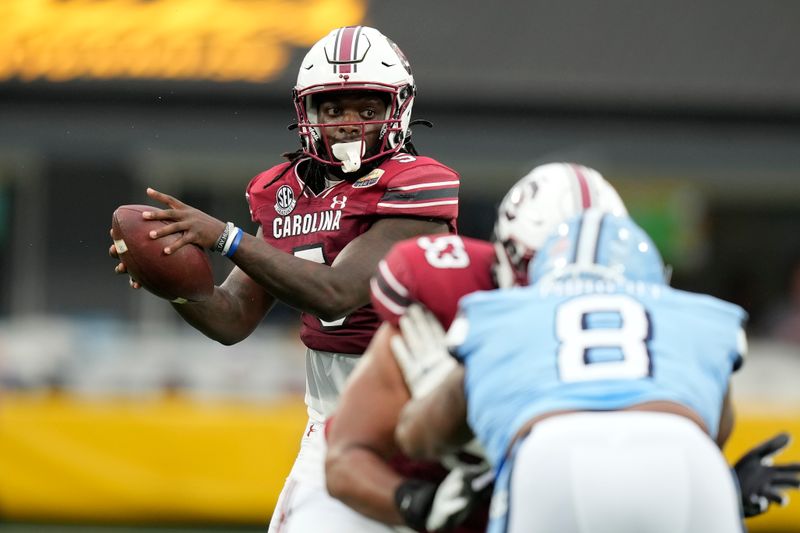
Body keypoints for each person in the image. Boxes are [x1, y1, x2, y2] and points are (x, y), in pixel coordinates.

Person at [110, 26, 459, 532]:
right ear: (306, 114)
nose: (348, 123)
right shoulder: (284, 193)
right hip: (331, 420)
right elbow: (231, 318)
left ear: (399, 106)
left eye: (366, 107)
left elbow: (335, 292)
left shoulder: (416, 184)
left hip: (421, 421)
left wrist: (226, 237)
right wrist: (177, 287)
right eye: (332, 108)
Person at [394, 209, 753, 533]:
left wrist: (436, 390)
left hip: (552, 454)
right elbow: (714, 431)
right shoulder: (699, 315)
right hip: (686, 454)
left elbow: (421, 439)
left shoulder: (497, 312)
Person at [325, 163, 628, 532]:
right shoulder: (444, 307)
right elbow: (344, 460)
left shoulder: (640, 338)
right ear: (509, 259)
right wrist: (418, 503)